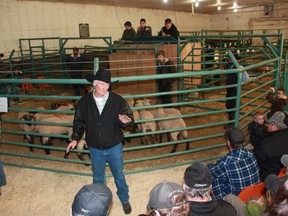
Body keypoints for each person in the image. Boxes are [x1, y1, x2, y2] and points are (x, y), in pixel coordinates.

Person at [66, 69, 134, 214]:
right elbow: (79, 122)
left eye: (108, 85)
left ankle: (124, 199)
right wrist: (75, 138)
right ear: (95, 84)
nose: (106, 88)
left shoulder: (117, 100)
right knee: (97, 177)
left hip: (114, 145)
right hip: (95, 148)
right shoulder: (84, 102)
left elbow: (129, 118)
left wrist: (126, 122)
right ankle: (98, 203)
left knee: (118, 174)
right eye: (102, 84)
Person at [207, 128, 260, 199]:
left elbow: (211, 171)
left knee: (214, 177)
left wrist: (208, 165)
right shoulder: (250, 154)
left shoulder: (226, 162)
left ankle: (216, 199)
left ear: (228, 143)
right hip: (252, 193)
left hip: (236, 197)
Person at [254, 111, 288, 181]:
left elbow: (255, 159)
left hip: (268, 178)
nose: (266, 125)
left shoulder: (266, 144)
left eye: (268, 123)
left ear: (274, 127)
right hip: (282, 172)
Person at [224, 51, 241, 129]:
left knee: (231, 104)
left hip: (233, 89)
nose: (228, 59)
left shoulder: (238, 67)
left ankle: (232, 122)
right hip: (230, 88)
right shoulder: (231, 66)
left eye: (230, 58)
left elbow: (245, 78)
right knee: (229, 104)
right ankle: (232, 121)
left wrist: (238, 84)